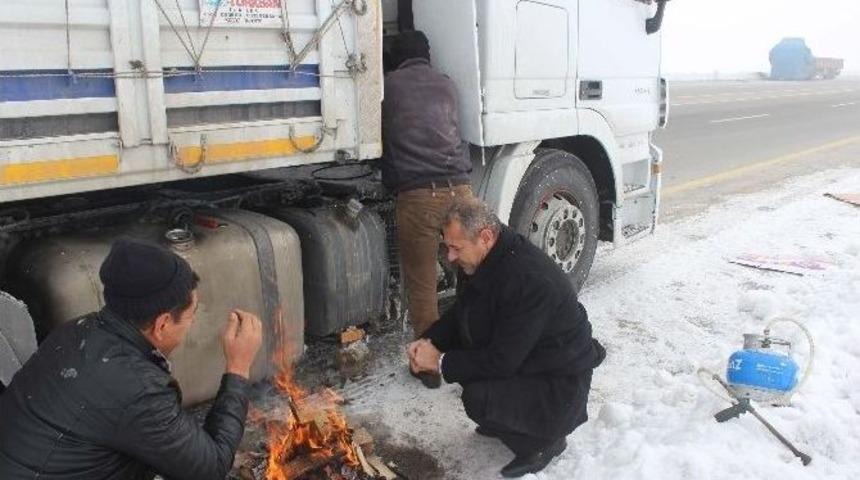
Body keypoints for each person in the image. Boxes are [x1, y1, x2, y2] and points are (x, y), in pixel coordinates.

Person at [0, 239, 263, 480]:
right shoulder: (138, 389)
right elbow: (210, 468)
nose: (191, 324)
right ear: (162, 324)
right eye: (191, 316)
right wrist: (238, 368)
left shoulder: (75, 330)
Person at [407, 197, 606, 478]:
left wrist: (439, 362)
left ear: (485, 237)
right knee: (468, 361)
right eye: (447, 247)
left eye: (455, 248)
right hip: (530, 362)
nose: (449, 257)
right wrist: (428, 342)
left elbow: (501, 362)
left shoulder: (528, 279)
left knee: (477, 397)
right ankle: (510, 419)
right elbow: (462, 313)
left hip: (560, 389)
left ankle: (544, 442)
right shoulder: (490, 257)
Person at [382, 31, 474, 354]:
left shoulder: (389, 86)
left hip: (419, 195)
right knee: (473, 270)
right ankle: (477, 342)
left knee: (422, 284)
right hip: (461, 191)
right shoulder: (447, 83)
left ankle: (428, 363)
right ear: (427, 55)